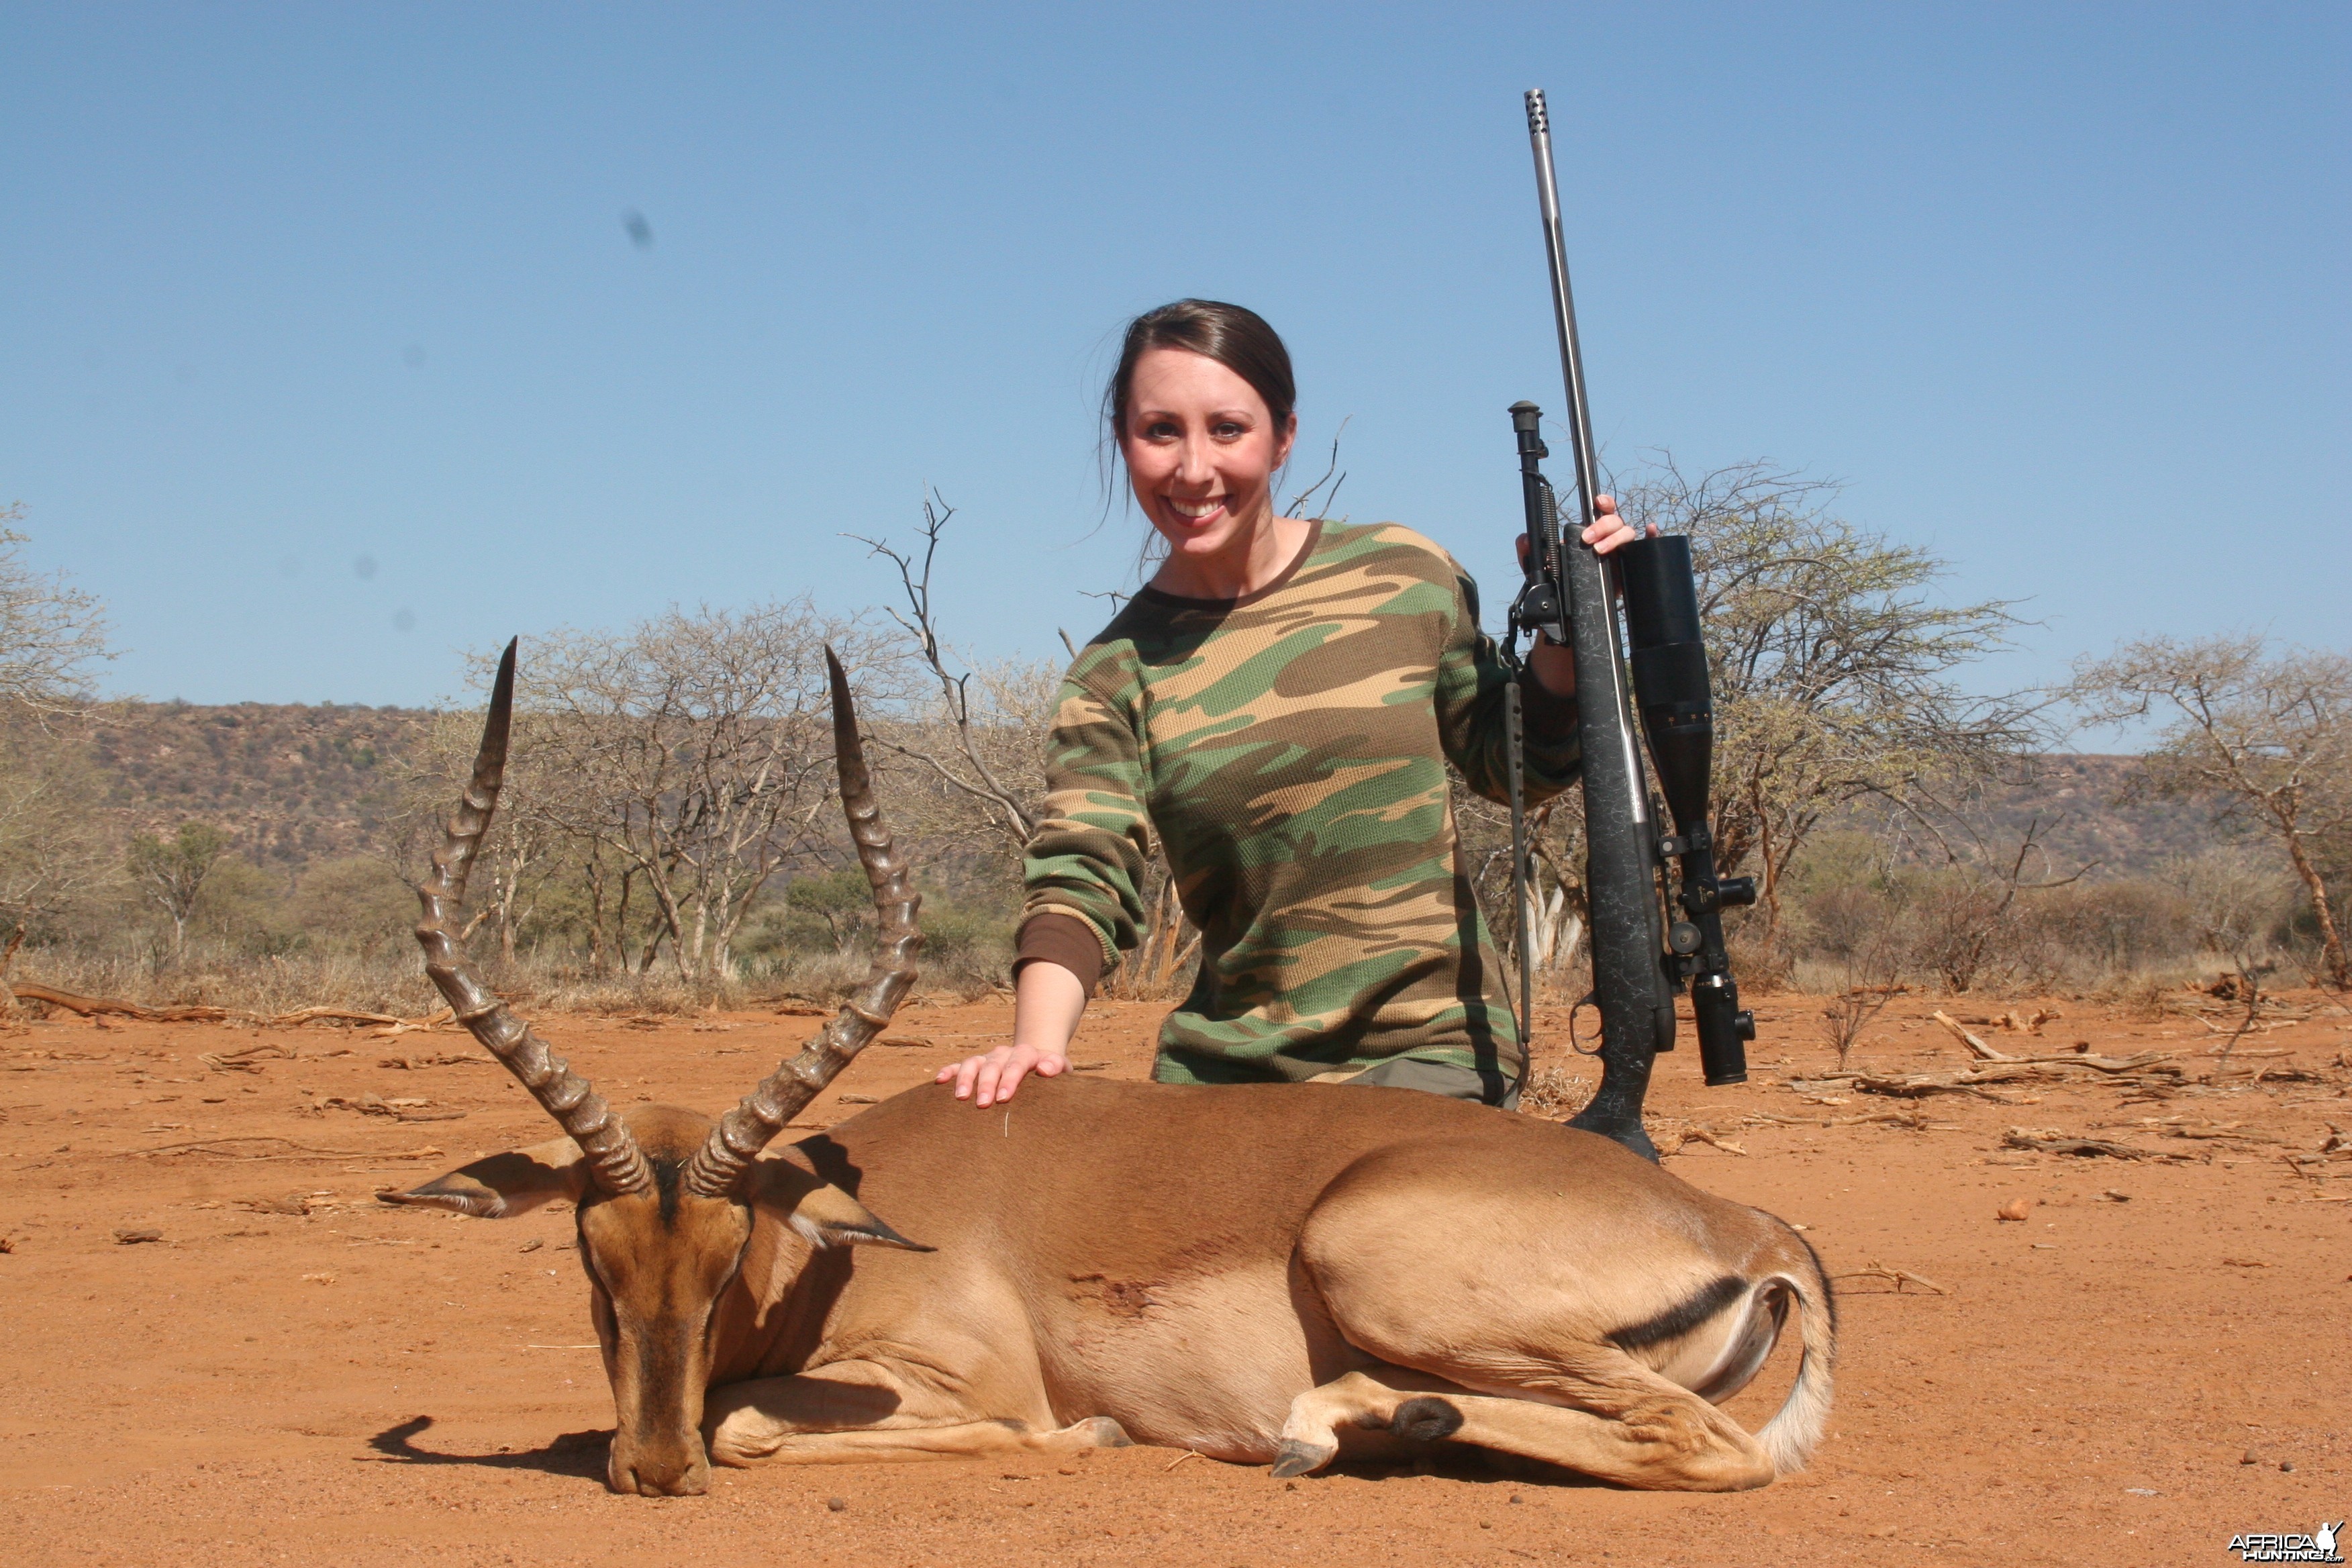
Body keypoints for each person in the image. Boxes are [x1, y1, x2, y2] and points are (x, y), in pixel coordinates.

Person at [938, 299, 1645, 1110]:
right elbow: (1080, 878)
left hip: (1433, 1054)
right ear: (1123, 442)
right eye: (1160, 430)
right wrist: (1035, 1045)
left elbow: (1510, 763)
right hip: (1230, 1084)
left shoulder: (1406, 572)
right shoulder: (1111, 675)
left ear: (1284, 437)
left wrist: (1569, 640)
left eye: (1229, 429)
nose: (1193, 468)